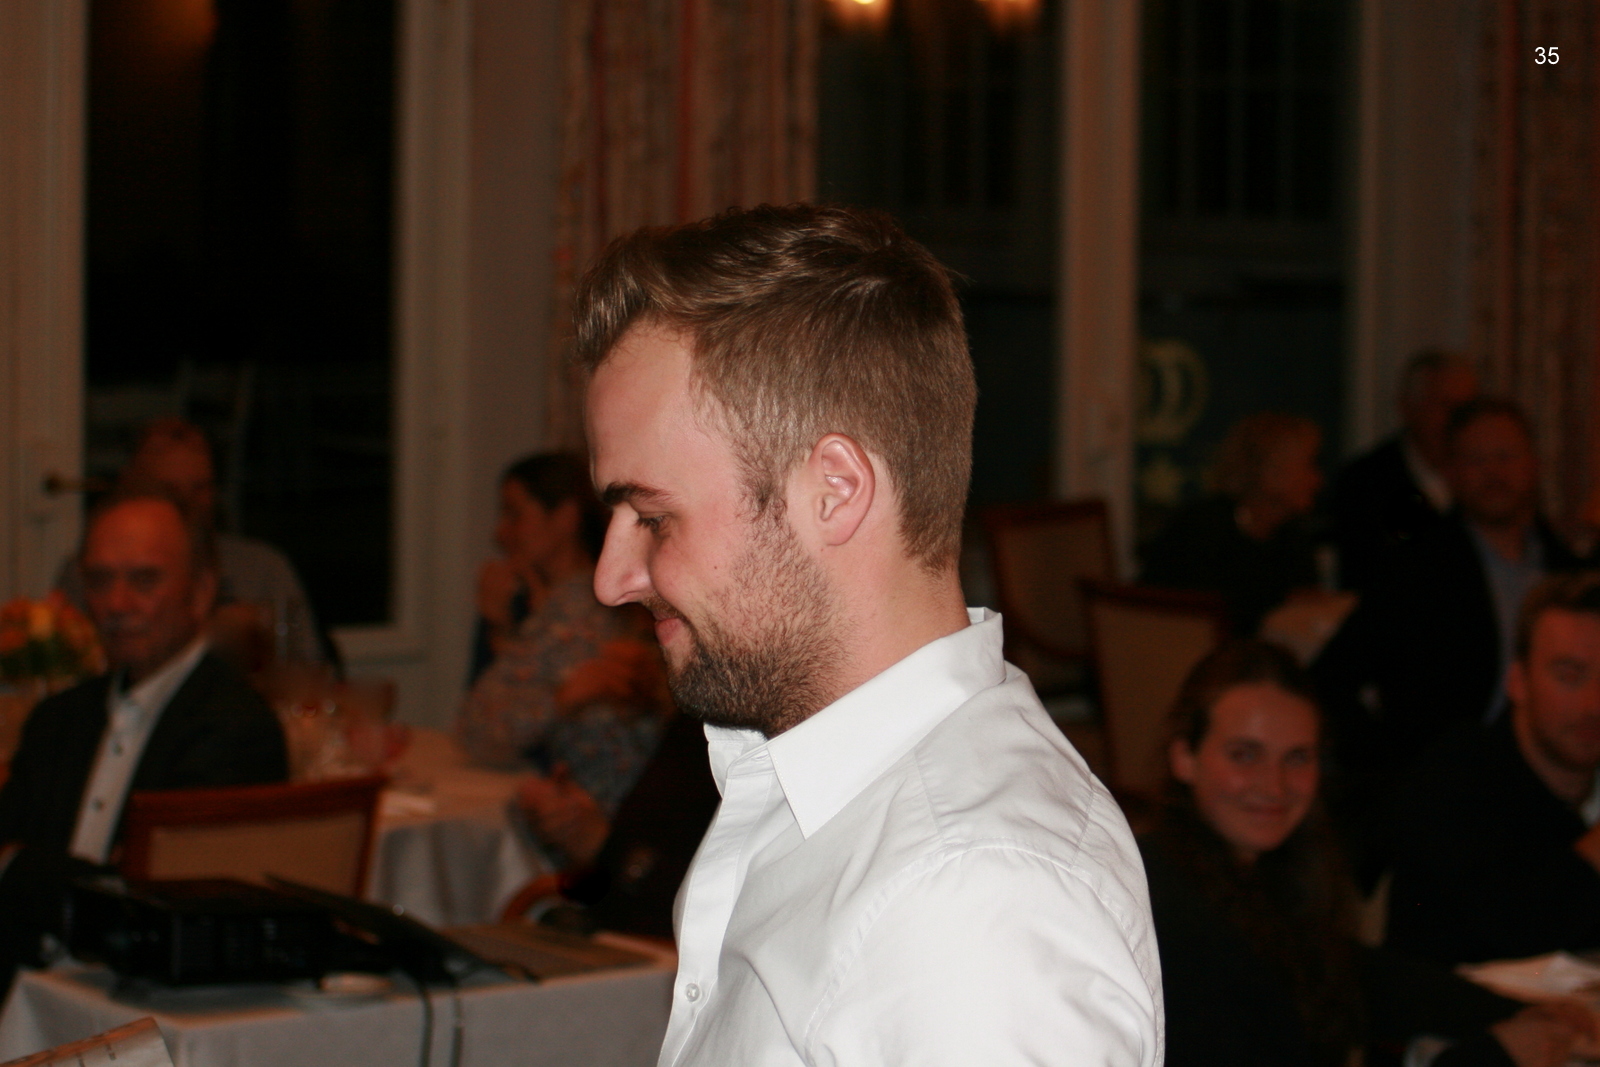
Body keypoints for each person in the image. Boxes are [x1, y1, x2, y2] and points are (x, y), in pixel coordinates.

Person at [578, 204, 1162, 1066]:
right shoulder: (812, 784)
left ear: (837, 491)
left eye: (654, 516)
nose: (611, 577)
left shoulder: (971, 906)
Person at [1143, 639, 1589, 1067]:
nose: (1274, 786)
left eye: (1297, 758)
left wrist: (1522, 1012)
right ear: (1184, 756)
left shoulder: (1252, 873)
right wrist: (1498, 1056)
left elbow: (1352, 974)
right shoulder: (1180, 921)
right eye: (1245, 755)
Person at [0, 492, 289, 994]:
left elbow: (154, 906)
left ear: (201, 592)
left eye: (144, 580)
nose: (116, 604)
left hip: (155, 1008)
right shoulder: (58, 720)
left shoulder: (235, 727)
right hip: (26, 994)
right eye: (99, 580)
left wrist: (20, 867)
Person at [1315, 398, 1588, 774]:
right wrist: (1390, 767)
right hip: (1452, 778)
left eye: (1506, 456)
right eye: (1476, 460)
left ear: (1534, 464)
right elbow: (1331, 680)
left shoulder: (1571, 575)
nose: (1494, 473)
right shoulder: (1415, 569)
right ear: (1450, 472)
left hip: (1563, 774)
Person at [1386, 572, 1600, 968]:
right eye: (1569, 676)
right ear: (1518, 681)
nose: (1594, 703)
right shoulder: (1455, 782)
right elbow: (1509, 931)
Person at [456, 453, 665, 817]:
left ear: (566, 517)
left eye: (514, 514)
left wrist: (558, 699)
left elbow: (479, 731)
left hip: (606, 817)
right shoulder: (527, 602)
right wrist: (498, 627)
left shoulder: (585, 607)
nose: (499, 533)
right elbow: (486, 710)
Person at [57, 418, 330, 668]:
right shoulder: (90, 572)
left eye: (200, 488)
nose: (190, 505)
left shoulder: (263, 569)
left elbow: (307, 667)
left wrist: (257, 636)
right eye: (170, 491)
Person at [1140, 412, 1328, 635]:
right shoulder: (1202, 530)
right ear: (1269, 471)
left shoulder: (1292, 535)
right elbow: (1190, 618)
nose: (1318, 480)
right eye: (1309, 465)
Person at [1329, 350, 1479, 591]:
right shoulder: (1366, 479)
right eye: (1444, 405)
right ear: (1407, 407)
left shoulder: (1482, 475)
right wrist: (1436, 494)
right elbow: (1374, 564)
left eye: (1466, 408)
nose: (1456, 419)